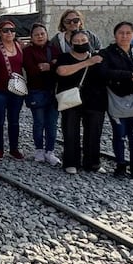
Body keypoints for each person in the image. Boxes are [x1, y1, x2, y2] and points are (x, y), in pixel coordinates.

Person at [100, 22, 133, 177]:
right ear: (115, 35)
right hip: (116, 99)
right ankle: (120, 165)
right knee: (119, 134)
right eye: (121, 33)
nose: (124, 36)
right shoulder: (107, 53)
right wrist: (128, 76)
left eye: (128, 33)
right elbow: (104, 73)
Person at [55, 30, 107, 174]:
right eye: (76, 41)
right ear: (70, 43)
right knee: (70, 131)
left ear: (89, 40)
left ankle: (93, 163)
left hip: (95, 101)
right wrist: (87, 62)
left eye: (83, 40)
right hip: (71, 101)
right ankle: (71, 162)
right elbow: (61, 71)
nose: (80, 43)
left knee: (94, 133)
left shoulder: (99, 57)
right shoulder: (64, 57)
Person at [22, 23, 62, 165]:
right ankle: (39, 150)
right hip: (36, 92)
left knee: (52, 123)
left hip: (53, 92)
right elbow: (32, 70)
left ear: (46, 35)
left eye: (42, 34)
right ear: (31, 37)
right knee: (38, 123)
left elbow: (59, 67)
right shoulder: (27, 52)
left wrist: (49, 65)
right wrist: (51, 65)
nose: (40, 36)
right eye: (36, 34)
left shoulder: (54, 49)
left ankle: (50, 151)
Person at [0, 19, 26, 161]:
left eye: (12, 30)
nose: (9, 33)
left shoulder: (19, 45)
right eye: (5, 30)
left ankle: (14, 148)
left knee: (14, 120)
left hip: (16, 90)